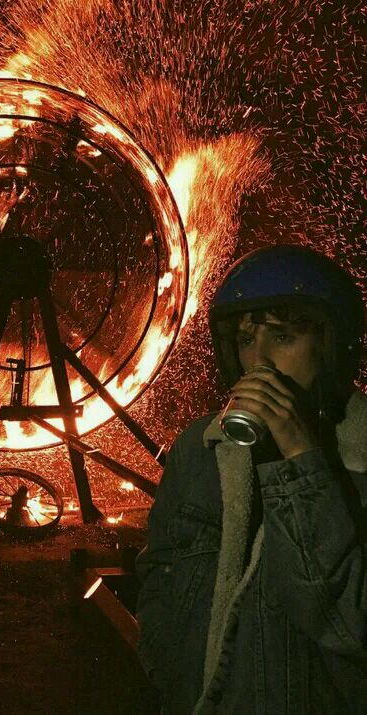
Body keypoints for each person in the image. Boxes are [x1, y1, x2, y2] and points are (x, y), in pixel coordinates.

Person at [136, 245, 367, 713]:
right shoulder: (199, 450)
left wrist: (300, 458)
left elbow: (347, 624)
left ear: (332, 347)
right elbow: (159, 574)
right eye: (245, 340)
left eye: (282, 337)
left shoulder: (359, 460)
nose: (259, 362)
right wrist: (168, 672)